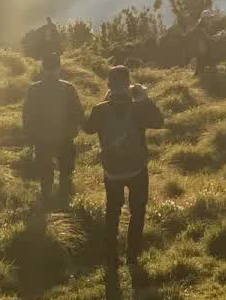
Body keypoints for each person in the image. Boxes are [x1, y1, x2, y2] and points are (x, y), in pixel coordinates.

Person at [83, 64, 163, 269]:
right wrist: (145, 99)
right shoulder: (138, 108)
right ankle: (132, 256)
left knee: (113, 211)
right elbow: (159, 121)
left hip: (112, 171)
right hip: (137, 168)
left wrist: (104, 99)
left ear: (109, 84)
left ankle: (111, 257)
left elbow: (88, 128)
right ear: (129, 85)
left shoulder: (100, 109)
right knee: (137, 211)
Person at [20, 53, 83, 206]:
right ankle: (64, 198)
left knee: (45, 169)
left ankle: (47, 198)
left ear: (42, 67)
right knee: (66, 169)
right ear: (58, 67)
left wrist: (30, 135)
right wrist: (75, 128)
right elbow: (78, 113)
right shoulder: (68, 88)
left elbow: (27, 114)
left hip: (42, 136)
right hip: (65, 136)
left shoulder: (34, 89)